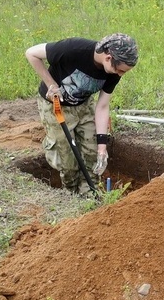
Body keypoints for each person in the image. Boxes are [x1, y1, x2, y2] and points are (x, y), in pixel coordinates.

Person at [25, 33, 139, 194]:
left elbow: (102, 106)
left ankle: (89, 195)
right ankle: (70, 193)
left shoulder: (114, 71)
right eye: (120, 70)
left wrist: (101, 148)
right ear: (108, 58)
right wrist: (51, 84)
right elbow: (31, 53)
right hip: (56, 107)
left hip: (84, 105)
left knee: (92, 155)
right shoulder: (73, 49)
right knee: (67, 160)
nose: (120, 75)